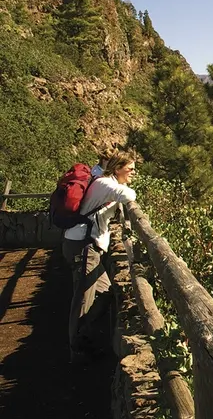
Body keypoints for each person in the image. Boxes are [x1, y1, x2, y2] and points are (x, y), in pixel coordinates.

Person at [63, 150, 138, 363]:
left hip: (83, 244)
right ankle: (77, 351)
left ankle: (83, 337)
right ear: (117, 169)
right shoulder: (105, 184)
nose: (133, 172)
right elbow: (128, 196)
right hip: (83, 246)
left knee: (105, 291)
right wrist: (124, 187)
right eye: (130, 169)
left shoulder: (103, 182)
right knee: (83, 299)